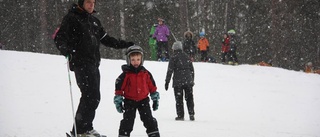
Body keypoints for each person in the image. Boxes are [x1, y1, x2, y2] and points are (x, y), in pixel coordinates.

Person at [54, 0, 134, 136]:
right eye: (88, 2)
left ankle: (84, 128)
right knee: (90, 95)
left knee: (94, 97)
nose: (91, 5)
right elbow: (59, 38)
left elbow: (107, 39)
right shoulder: (72, 18)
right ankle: (81, 130)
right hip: (80, 62)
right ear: (81, 3)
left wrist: (126, 44)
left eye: (93, 2)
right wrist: (67, 51)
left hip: (93, 63)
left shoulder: (94, 21)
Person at [114, 45, 160, 137]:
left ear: (141, 60)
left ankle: (153, 134)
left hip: (143, 100)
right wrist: (118, 101)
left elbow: (152, 87)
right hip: (129, 101)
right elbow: (119, 89)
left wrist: (155, 99)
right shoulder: (125, 74)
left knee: (148, 120)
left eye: (138, 59)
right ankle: (124, 135)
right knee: (128, 121)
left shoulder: (145, 73)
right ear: (128, 60)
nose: (136, 62)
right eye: (133, 60)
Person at [165, 41, 195, 121]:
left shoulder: (173, 57)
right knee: (189, 98)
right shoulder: (186, 56)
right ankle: (191, 114)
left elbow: (170, 70)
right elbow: (192, 69)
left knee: (179, 99)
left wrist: (167, 82)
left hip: (178, 82)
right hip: (188, 81)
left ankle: (180, 115)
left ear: (174, 49)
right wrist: (192, 80)